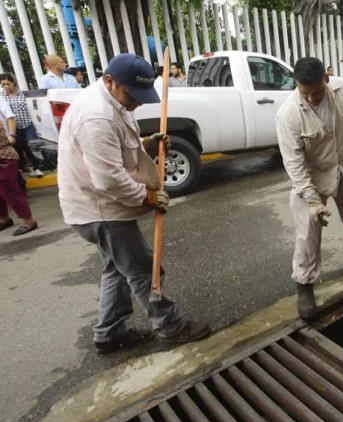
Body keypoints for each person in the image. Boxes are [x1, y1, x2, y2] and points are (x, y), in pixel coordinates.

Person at [57, 53, 211, 353]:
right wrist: (147, 196)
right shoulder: (96, 117)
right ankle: (169, 325)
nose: (137, 102)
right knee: (142, 270)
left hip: (95, 206)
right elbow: (109, 179)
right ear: (110, 80)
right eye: (133, 95)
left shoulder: (114, 100)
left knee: (117, 268)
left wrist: (146, 144)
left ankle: (108, 333)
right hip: (100, 210)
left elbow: (115, 150)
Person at [276, 57, 343, 319]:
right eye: (304, 92)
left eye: (317, 92)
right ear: (297, 85)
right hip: (312, 177)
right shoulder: (288, 115)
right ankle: (305, 284)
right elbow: (295, 165)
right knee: (308, 232)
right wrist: (312, 201)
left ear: (327, 80)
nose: (311, 98)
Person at [0, 103, 37, 236]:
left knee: (10, 190)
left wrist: (12, 135)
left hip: (4, 157)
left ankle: (28, 220)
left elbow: (10, 120)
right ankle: (4, 218)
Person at [0, 73, 44, 177]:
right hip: (15, 127)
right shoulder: (2, 96)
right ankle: (24, 167)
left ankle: (37, 167)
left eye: (8, 83)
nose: (6, 86)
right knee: (20, 147)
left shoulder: (22, 94)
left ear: (13, 82)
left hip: (27, 123)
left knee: (31, 145)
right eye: (3, 84)